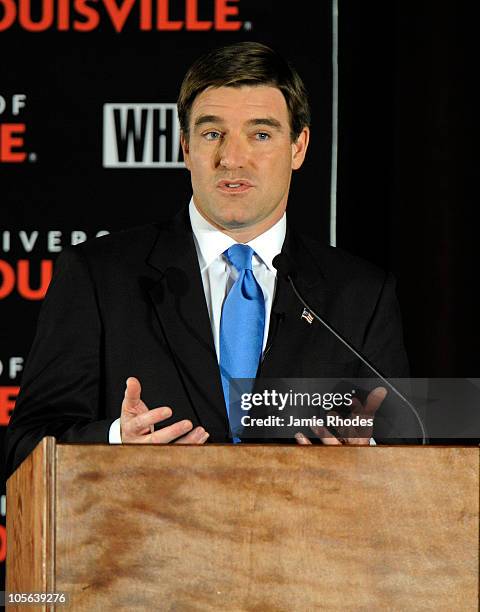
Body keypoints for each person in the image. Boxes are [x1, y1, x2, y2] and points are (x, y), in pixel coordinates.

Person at [5, 42, 410, 478]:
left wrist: (368, 450)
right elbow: (26, 447)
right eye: (212, 134)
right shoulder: (99, 277)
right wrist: (118, 441)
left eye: (260, 134)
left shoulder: (360, 294)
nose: (232, 159)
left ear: (299, 147)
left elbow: (409, 451)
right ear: (185, 146)